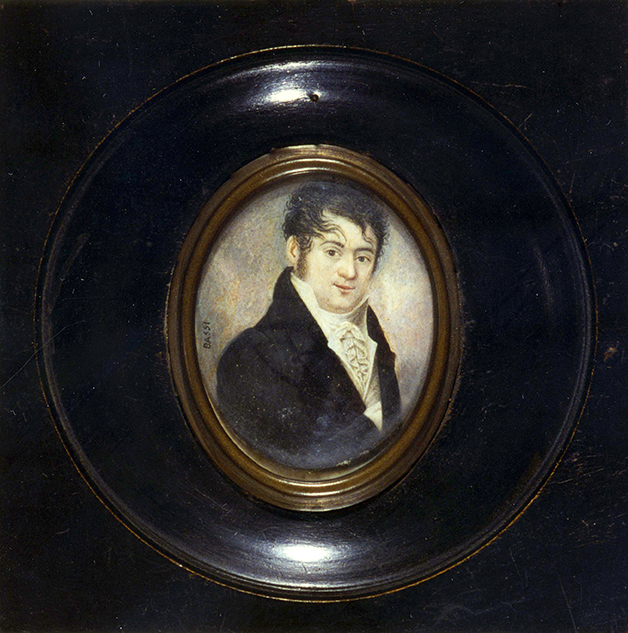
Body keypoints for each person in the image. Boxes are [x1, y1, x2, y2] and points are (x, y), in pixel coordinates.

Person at [216, 181, 401, 470]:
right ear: (294, 250)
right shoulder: (249, 355)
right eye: (332, 252)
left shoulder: (376, 342)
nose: (349, 271)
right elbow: (295, 464)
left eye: (363, 257)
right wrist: (372, 422)